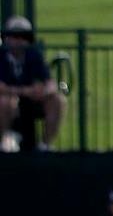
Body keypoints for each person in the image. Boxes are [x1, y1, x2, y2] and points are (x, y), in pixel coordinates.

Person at [0, 16, 66, 151]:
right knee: (6, 102)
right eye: (14, 36)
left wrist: (45, 91)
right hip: (7, 100)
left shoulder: (34, 55)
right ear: (6, 38)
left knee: (58, 100)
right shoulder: (1, 55)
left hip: (31, 100)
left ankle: (44, 146)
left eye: (23, 37)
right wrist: (28, 91)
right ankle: (3, 143)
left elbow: (50, 84)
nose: (19, 41)